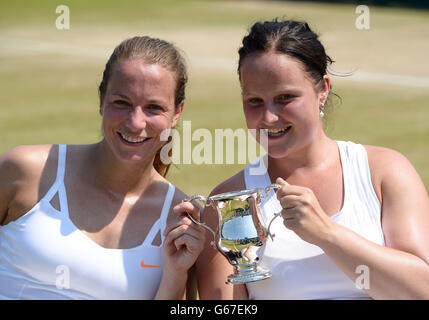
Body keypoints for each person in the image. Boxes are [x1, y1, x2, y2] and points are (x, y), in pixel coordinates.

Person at [195, 19, 429, 299]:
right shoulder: (229, 200)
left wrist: (326, 233)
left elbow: (421, 290)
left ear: (323, 90)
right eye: (254, 101)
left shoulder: (385, 172)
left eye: (285, 97)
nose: (269, 117)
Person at [0, 36, 205, 299]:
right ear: (101, 100)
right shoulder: (24, 171)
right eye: (122, 102)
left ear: (177, 113)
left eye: (154, 107)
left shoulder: (181, 220)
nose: (135, 122)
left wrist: (175, 276)